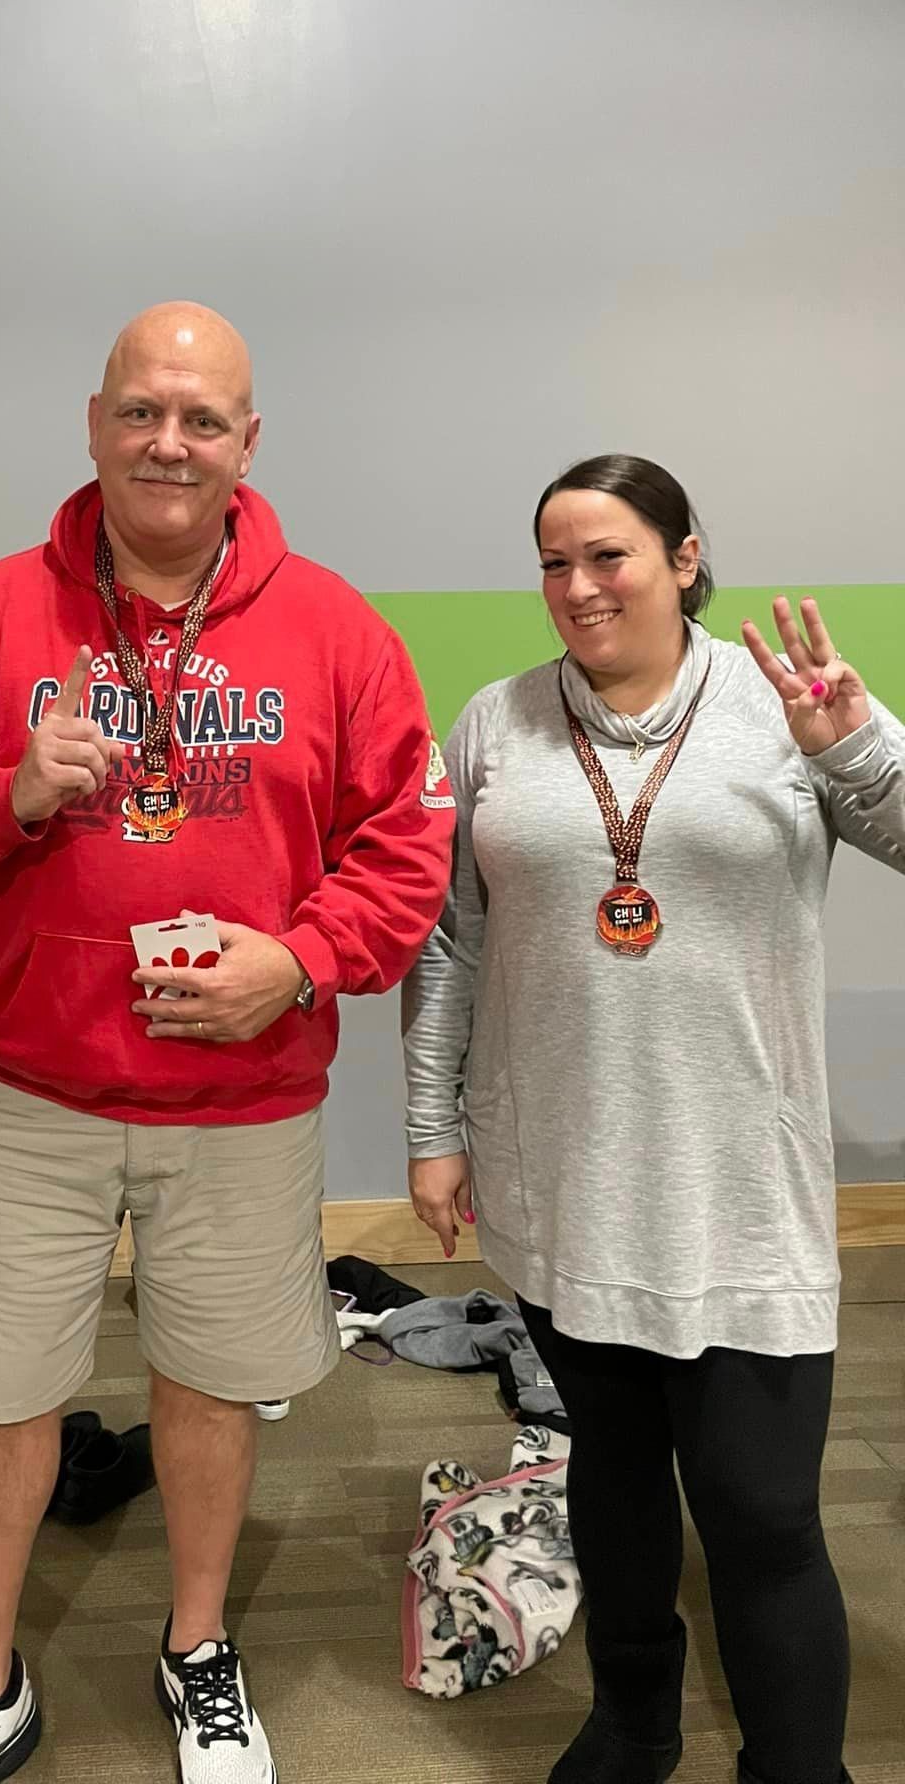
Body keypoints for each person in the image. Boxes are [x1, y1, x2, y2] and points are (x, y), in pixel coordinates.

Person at [0, 301, 454, 1784]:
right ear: (95, 421)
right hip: (28, 1093)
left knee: (210, 1386)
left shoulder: (338, 631)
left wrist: (298, 964)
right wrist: (6, 794)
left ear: (249, 442)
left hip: (240, 1101)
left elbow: (407, 848)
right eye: (142, 411)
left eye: (201, 417)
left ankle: (197, 1649)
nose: (168, 441)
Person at [403, 453, 905, 1784]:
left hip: (741, 1176)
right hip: (560, 1169)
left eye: (609, 555)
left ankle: (797, 1766)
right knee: (613, 1480)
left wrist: (853, 745)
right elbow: (450, 941)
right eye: (555, 561)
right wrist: (431, 1126)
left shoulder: (782, 702)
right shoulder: (497, 722)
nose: (578, 587)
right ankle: (632, 1725)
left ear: (684, 557)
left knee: (762, 1513)